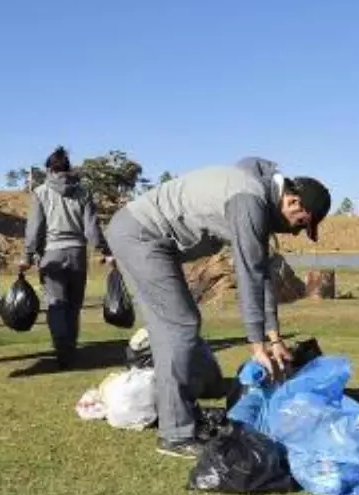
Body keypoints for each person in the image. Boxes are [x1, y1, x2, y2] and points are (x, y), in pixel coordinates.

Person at [104, 156, 331, 458]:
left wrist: (274, 338)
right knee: (180, 325)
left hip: (140, 235)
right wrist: (257, 345)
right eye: (301, 224)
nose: (295, 232)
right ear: (292, 202)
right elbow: (248, 274)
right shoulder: (249, 201)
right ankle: (175, 434)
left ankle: (179, 411)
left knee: (172, 327)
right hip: (140, 236)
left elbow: (261, 274)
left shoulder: (257, 198)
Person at [19, 148, 112, 369]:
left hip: (52, 254)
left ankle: (62, 349)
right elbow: (92, 229)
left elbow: (34, 228)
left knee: (56, 303)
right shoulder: (83, 192)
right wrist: (105, 251)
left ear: (49, 169)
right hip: (77, 253)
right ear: (68, 168)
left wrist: (28, 255)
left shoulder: (41, 192)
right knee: (73, 305)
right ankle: (70, 348)